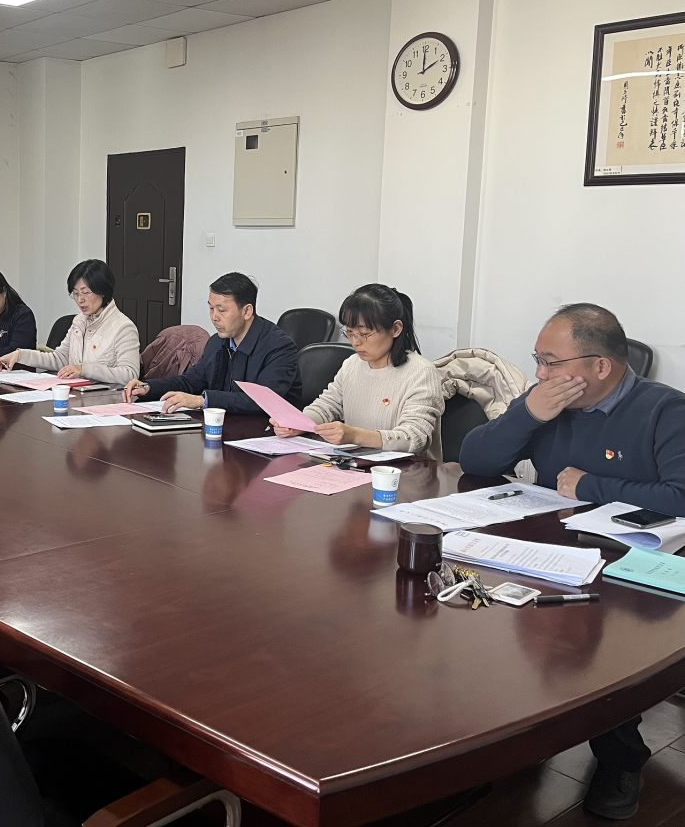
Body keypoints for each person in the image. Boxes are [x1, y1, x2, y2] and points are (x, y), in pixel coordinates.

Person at [461, 303, 685, 821]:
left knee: (601, 647)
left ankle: (621, 758)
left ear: (600, 366)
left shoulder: (665, 411)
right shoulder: (548, 402)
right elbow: (475, 460)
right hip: (550, 547)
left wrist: (592, 485)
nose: (541, 373)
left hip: (632, 567)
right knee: (494, 620)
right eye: (538, 360)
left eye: (551, 361)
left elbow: (681, 494)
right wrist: (527, 414)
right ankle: (517, 739)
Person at [273, 284, 442, 456]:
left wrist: (355, 436)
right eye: (349, 332)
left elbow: (414, 437)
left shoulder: (421, 373)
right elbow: (327, 405)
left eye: (364, 334)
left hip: (406, 469)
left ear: (396, 329)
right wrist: (298, 423)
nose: (355, 342)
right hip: (356, 463)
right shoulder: (352, 364)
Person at [121, 272, 301, 413]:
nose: (214, 317)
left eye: (221, 310)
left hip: (268, 435)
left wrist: (203, 400)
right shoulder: (217, 342)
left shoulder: (279, 347)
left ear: (247, 311)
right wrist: (149, 387)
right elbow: (191, 382)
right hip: (226, 428)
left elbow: (263, 401)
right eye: (211, 308)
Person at [0, 259, 139, 384]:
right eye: (75, 293)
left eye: (86, 292)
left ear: (103, 291)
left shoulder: (123, 327)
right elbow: (60, 359)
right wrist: (20, 355)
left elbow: (130, 374)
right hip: (76, 395)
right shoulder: (79, 321)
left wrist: (83, 369)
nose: (80, 299)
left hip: (106, 399)